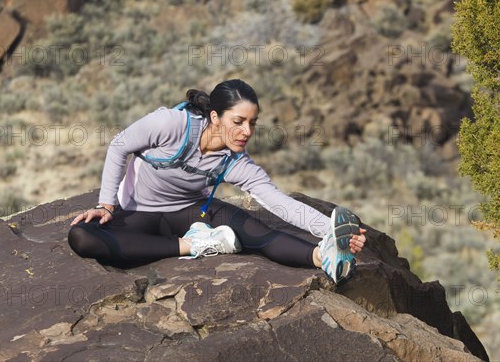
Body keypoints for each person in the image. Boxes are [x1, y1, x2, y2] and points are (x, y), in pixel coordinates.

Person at [68, 79, 366, 283]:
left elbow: (279, 203)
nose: (247, 131)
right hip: (138, 213)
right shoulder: (170, 124)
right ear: (214, 117)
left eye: (252, 123)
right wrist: (106, 205)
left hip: (192, 211)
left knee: (256, 231)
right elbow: (120, 145)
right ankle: (193, 245)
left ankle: (323, 257)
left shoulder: (235, 161)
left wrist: (333, 231)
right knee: (82, 236)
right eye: (238, 122)